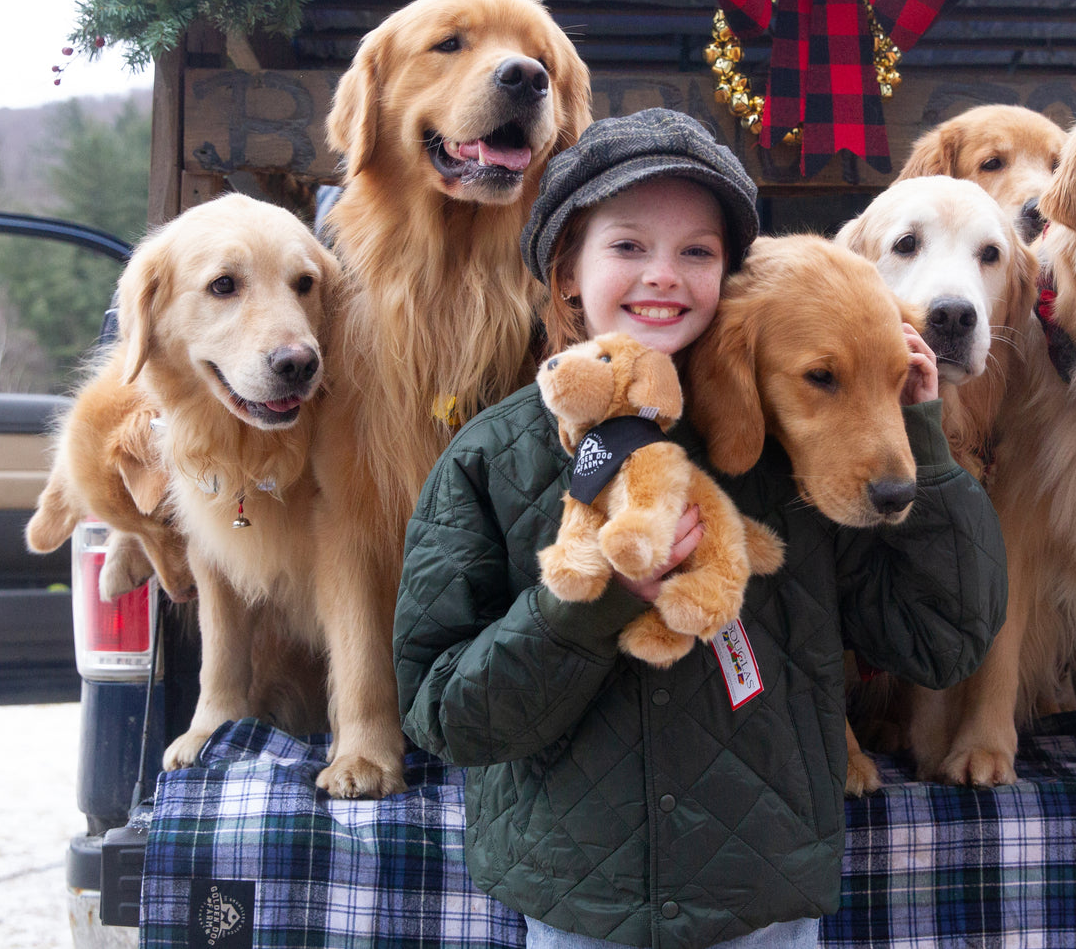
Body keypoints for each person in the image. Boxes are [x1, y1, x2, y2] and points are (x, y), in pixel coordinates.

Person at [392, 107, 1007, 949]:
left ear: (728, 271)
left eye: (698, 252)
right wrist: (589, 605)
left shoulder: (779, 460)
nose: (664, 276)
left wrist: (922, 440)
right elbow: (442, 715)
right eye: (627, 246)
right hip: (582, 910)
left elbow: (943, 640)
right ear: (566, 269)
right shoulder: (490, 458)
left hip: (763, 905)